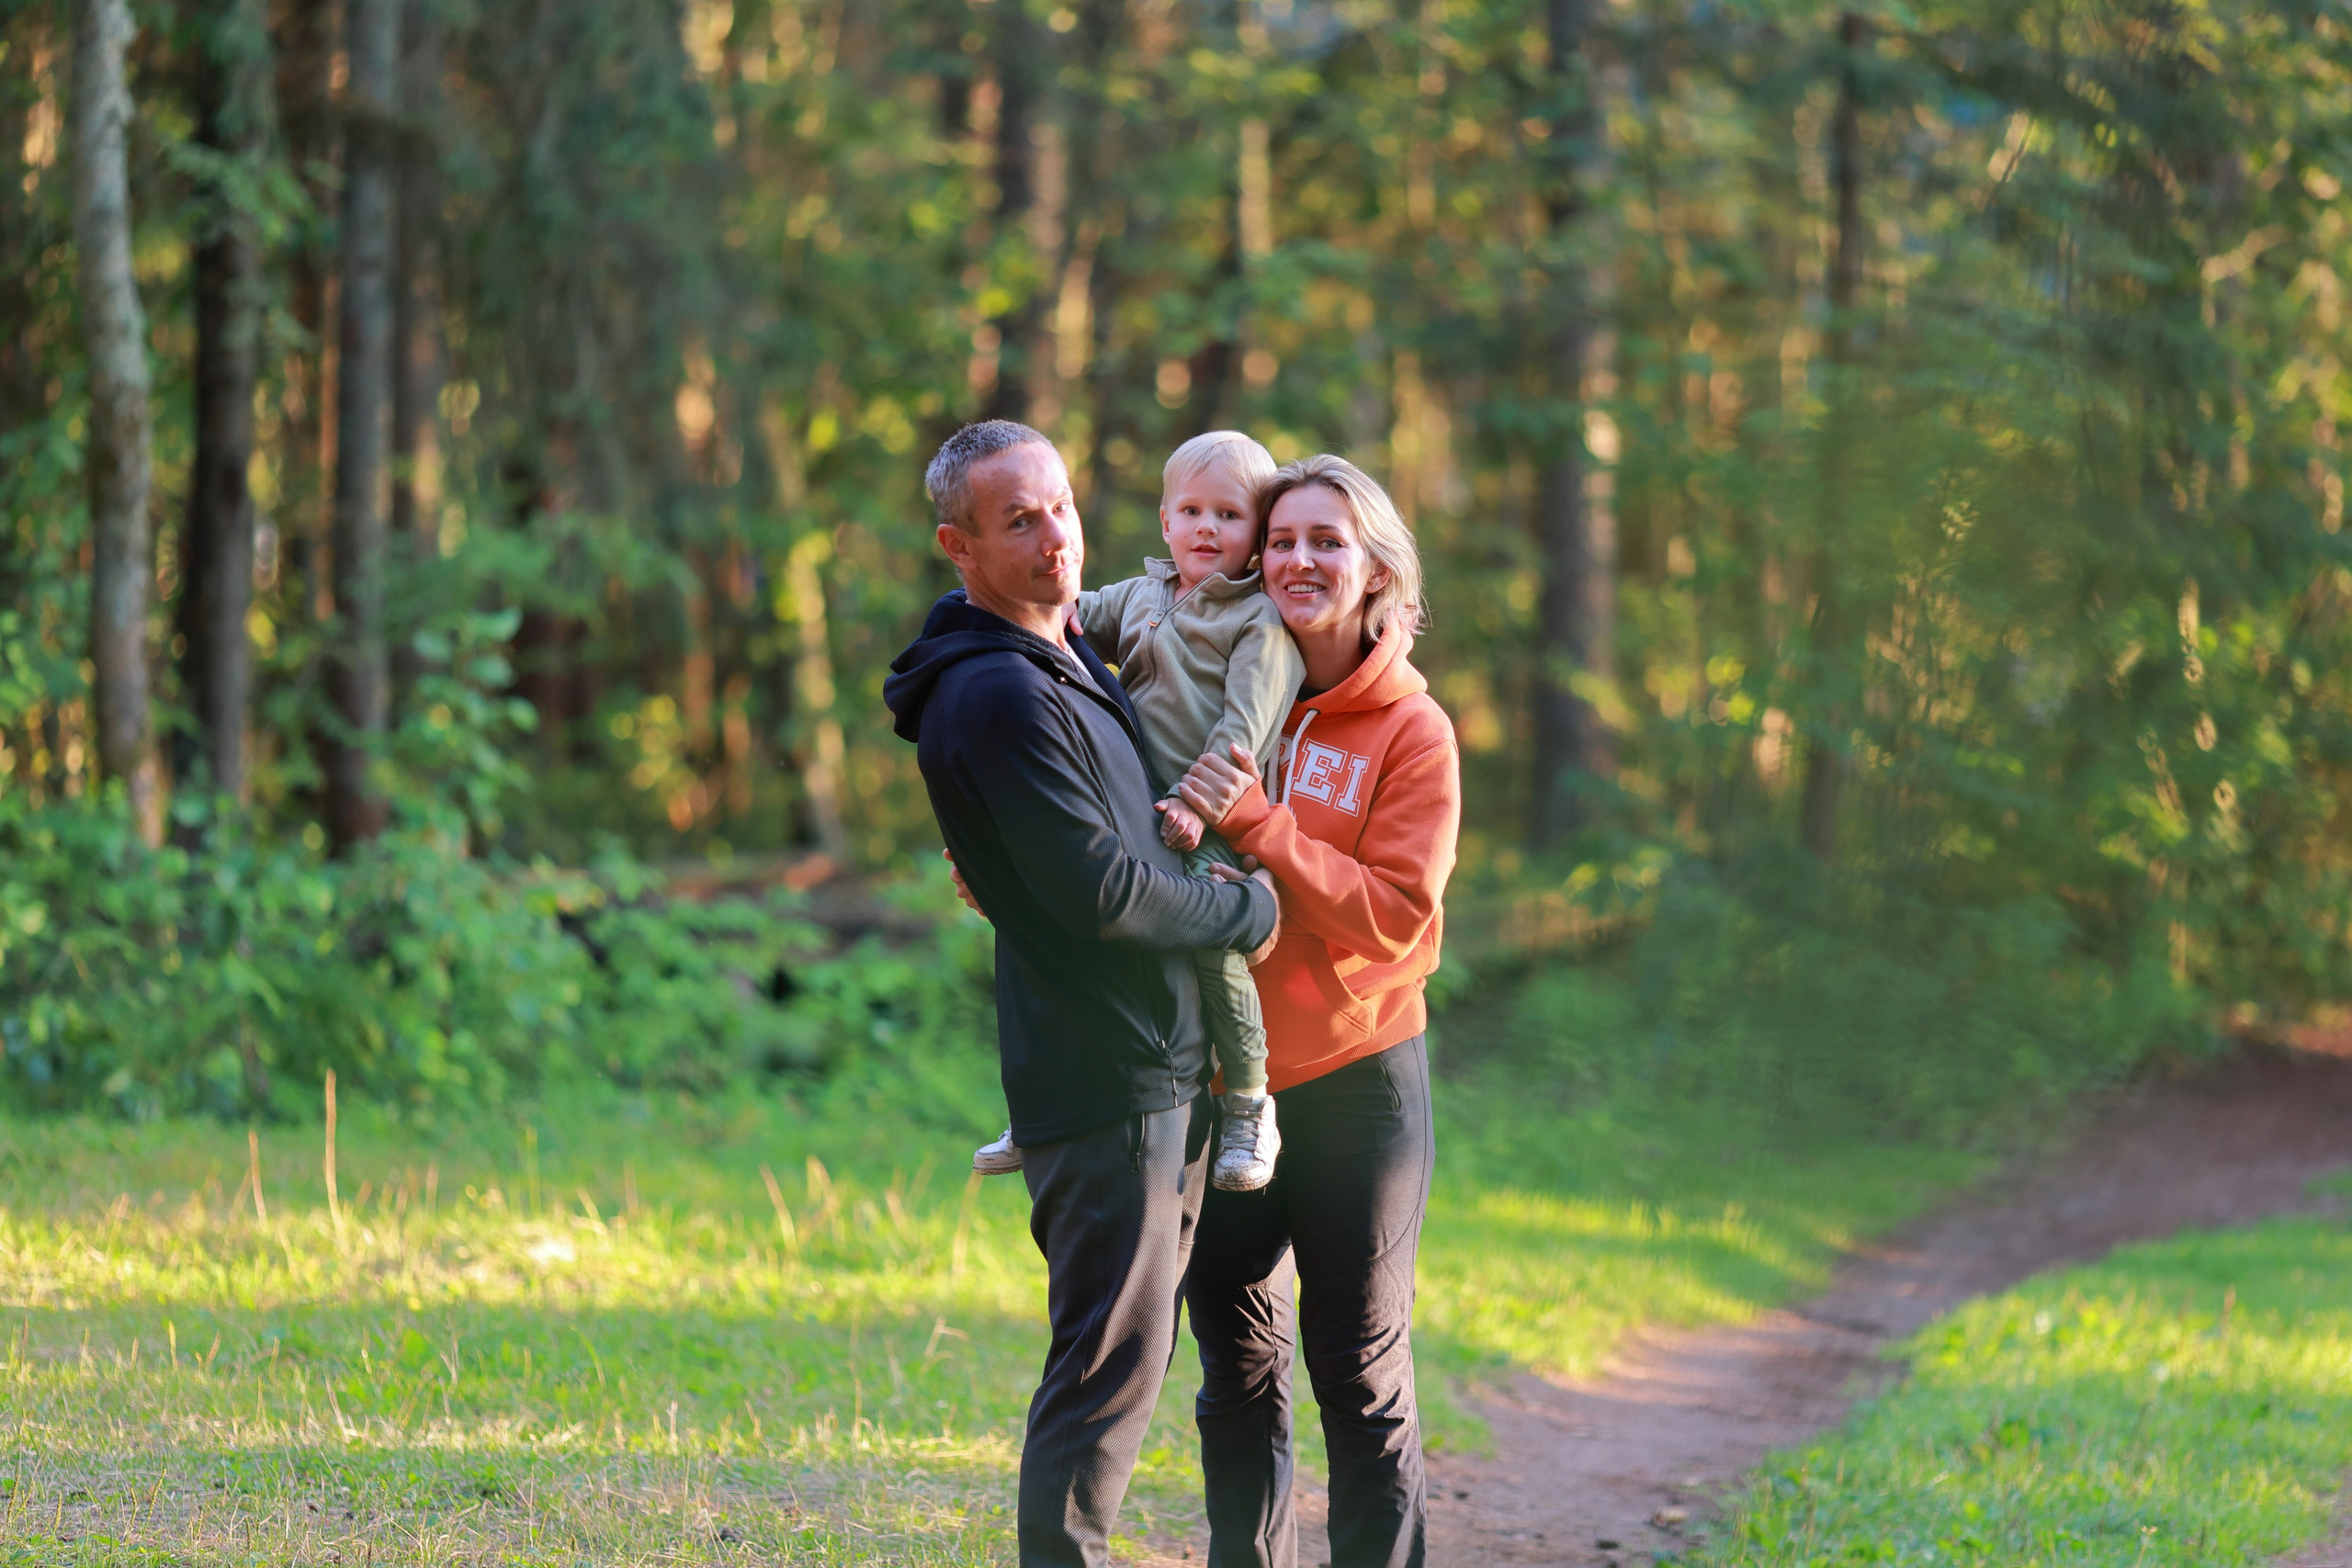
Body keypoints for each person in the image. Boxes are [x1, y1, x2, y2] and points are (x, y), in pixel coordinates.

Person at [881, 420, 1280, 1568]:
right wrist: (1245, 915)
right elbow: (1105, 891)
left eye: (1059, 505)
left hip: (1149, 1059)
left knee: (1126, 1365)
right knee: (1104, 1376)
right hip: (1107, 1074)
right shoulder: (1001, 691)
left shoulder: (1059, 652)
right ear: (959, 547)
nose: (1056, 535)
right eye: (1019, 521)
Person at [1170, 454, 1460, 1568]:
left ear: (1376, 569)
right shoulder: (1213, 686)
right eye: (1281, 540)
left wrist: (1262, 825)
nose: (1297, 559)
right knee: (1237, 1370)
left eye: (1326, 541)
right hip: (1220, 1087)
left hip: (1356, 1081)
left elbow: (1395, 918)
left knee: (1355, 1365)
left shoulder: (1411, 731)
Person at [972, 430, 1305, 1191]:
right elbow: (1070, 614)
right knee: (1069, 930)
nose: (1207, 529)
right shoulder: (1144, 596)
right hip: (1126, 806)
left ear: (1258, 533)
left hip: (1206, 819)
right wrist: (991, 608)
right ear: (1165, 520)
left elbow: (1243, 735)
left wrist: (1196, 803)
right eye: (1192, 511)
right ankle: (1048, 1096)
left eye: (1229, 515)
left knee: (1213, 947)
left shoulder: (1256, 621)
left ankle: (1250, 1099)